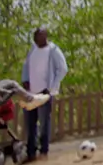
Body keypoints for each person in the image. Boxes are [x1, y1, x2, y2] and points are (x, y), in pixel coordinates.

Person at [21, 27, 67, 162]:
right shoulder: (33, 49)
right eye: (34, 37)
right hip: (30, 93)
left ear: (45, 36)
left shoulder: (53, 50)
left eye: (39, 36)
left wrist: (51, 87)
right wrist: (25, 79)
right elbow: (26, 65)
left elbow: (63, 69)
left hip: (44, 93)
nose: (36, 39)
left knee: (43, 123)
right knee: (30, 123)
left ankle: (44, 151)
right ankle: (30, 152)